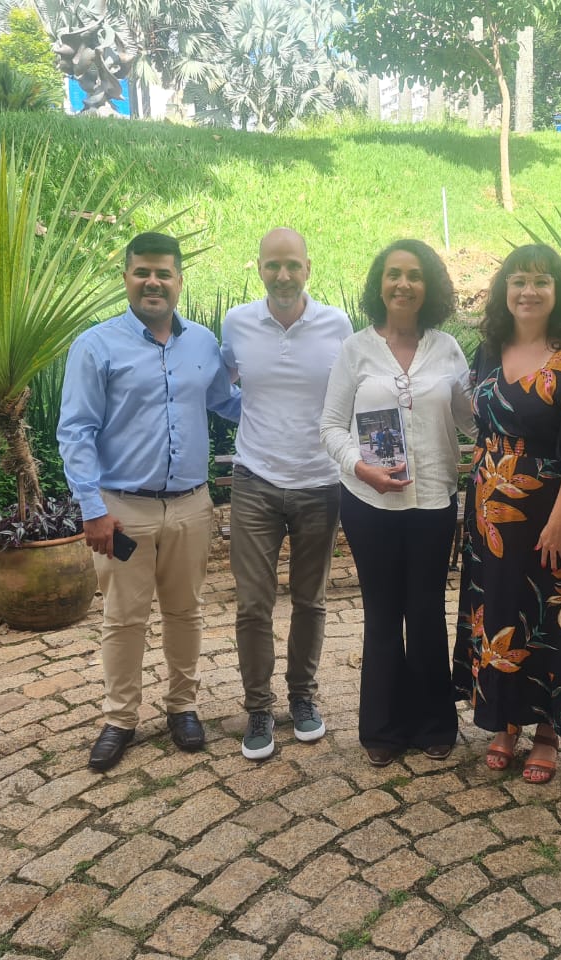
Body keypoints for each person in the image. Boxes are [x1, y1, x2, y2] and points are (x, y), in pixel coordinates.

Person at [59, 232, 241, 772]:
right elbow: (75, 432)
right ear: (126, 278)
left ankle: (183, 707)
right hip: (123, 510)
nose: (153, 282)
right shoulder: (96, 346)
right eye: (142, 272)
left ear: (180, 280)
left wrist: (291, 406)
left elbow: (226, 403)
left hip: (191, 505)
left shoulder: (203, 343)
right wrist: (92, 508)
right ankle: (120, 718)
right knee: (123, 618)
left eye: (164, 273)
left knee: (185, 611)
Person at [452, 244, 561, 785]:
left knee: (549, 617)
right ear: (504, 289)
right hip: (490, 517)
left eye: (541, 282)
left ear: (557, 293)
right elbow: (479, 430)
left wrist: (559, 523)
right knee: (498, 612)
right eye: (519, 280)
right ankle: (505, 723)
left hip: (551, 515)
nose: (528, 291)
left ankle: (547, 731)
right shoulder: (487, 351)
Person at [320, 239, 475, 766]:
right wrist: (359, 467)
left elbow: (468, 420)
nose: (403, 283)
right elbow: (330, 426)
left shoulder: (448, 350)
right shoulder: (356, 350)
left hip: (432, 501)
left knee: (427, 611)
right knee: (383, 615)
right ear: (379, 284)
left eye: (414, 274)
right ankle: (382, 730)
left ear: (428, 285)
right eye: (393, 274)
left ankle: (434, 723)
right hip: (369, 505)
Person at [220, 228, 353, 761]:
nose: (282, 274)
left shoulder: (336, 325)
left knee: (310, 600)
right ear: (258, 268)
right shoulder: (237, 322)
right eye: (273, 265)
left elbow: (351, 393)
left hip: (320, 482)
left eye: (292, 265)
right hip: (255, 481)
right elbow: (224, 382)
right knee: (253, 603)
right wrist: (252, 416)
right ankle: (258, 706)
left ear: (308, 269)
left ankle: (302, 697)